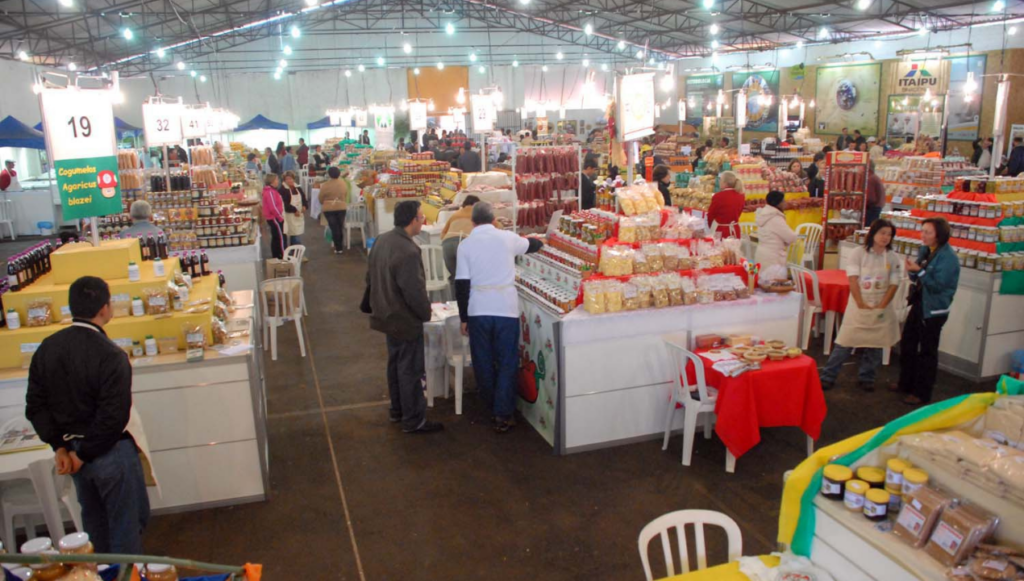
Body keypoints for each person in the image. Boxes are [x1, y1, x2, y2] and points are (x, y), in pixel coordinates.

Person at [26, 276, 150, 554]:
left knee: (95, 532)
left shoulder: (47, 348)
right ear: (105, 308)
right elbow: (113, 417)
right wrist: (82, 455)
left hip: (73, 453)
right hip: (109, 453)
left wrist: (60, 446)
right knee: (126, 527)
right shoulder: (111, 355)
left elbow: (35, 405)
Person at [454, 202, 544, 433]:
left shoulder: (465, 245)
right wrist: (543, 238)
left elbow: (461, 284)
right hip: (505, 308)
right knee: (506, 361)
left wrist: (464, 317)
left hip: (478, 309)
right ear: (493, 218)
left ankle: (490, 406)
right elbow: (533, 245)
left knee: (483, 360)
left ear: (472, 222)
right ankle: (503, 414)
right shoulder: (507, 238)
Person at [363, 200, 442, 434]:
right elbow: (413, 290)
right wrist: (425, 313)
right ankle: (414, 419)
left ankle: (397, 410)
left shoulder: (382, 240)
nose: (422, 221)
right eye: (421, 217)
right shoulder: (408, 250)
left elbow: (369, 277)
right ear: (412, 221)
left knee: (395, 364)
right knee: (411, 370)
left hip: (385, 313)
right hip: (403, 319)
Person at [819, 219, 903, 392]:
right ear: (873, 233)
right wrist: (860, 302)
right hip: (859, 303)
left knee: (876, 342)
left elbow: (894, 283)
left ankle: (867, 376)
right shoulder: (858, 253)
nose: (885, 237)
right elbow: (852, 279)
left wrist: (882, 304)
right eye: (882, 233)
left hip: (882, 303)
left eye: (889, 234)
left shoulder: (892, 257)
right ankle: (828, 375)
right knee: (845, 341)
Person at [895, 218, 960, 405]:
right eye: (922, 231)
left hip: (935, 310)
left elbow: (939, 286)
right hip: (920, 304)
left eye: (928, 232)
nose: (922, 235)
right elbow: (917, 277)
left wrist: (920, 272)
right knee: (907, 343)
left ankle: (922, 393)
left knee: (927, 351)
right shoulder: (925, 250)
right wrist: (912, 271)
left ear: (939, 235)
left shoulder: (949, 258)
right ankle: (905, 383)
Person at [441, 195, 480, 292]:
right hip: (464, 241)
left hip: (447, 243)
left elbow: (443, 234)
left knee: (455, 276)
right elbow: (496, 226)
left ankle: (454, 304)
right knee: (469, 276)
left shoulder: (455, 214)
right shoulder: (478, 213)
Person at [754, 191, 797, 271]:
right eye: (783, 201)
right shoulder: (775, 218)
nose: (785, 203)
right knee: (773, 282)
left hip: (762, 255)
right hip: (773, 259)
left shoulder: (763, 214)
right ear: (778, 203)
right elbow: (791, 237)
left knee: (761, 281)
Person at [318, 166, 349, 254]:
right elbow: (345, 194)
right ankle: (340, 247)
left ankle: (338, 247)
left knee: (334, 227)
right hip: (341, 207)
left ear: (329, 174)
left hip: (329, 208)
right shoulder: (343, 183)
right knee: (339, 226)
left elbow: (320, 198)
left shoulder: (325, 185)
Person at [707, 171, 744, 238]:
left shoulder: (718, 196)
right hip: (735, 230)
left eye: (720, 180)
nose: (719, 182)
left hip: (721, 231)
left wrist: (710, 228)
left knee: (721, 248)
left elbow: (710, 215)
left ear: (725, 183)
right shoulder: (741, 195)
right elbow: (739, 212)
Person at [279, 171, 307, 247]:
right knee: (294, 234)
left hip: (299, 214)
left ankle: (293, 251)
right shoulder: (282, 190)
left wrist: (304, 206)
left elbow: (304, 198)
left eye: (291, 178)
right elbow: (284, 203)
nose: (289, 180)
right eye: (287, 179)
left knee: (296, 233)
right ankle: (296, 250)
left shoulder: (298, 188)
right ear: (284, 180)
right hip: (289, 215)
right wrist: (294, 210)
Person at [262, 174, 286, 259]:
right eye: (276, 180)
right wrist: (280, 217)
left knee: (276, 238)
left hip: (273, 217)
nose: (278, 181)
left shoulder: (269, 191)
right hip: (274, 218)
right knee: (280, 238)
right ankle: (283, 256)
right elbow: (273, 207)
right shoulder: (270, 192)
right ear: (272, 181)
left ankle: (276, 256)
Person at [864, 161, 885, 227]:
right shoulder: (874, 177)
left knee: (868, 228)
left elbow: (870, 198)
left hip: (872, 209)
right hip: (876, 208)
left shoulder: (870, 179)